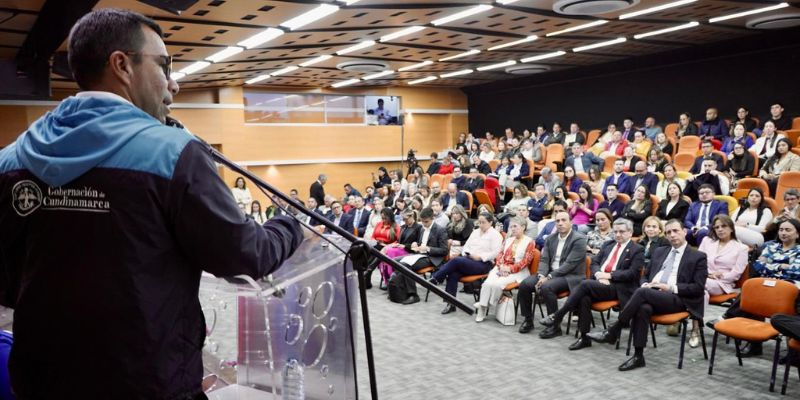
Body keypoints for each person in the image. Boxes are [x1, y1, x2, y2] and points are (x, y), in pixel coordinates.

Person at [0, 9, 306, 399]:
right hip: (147, 383)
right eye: (164, 65)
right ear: (122, 65)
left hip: (41, 382)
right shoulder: (174, 154)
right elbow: (245, 255)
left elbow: (8, 285)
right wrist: (289, 224)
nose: (173, 84)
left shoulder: (11, 160)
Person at [588, 219, 707, 371]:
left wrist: (669, 287)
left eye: (676, 231)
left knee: (642, 293)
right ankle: (638, 356)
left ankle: (614, 329)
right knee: (643, 308)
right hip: (652, 293)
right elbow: (645, 275)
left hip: (678, 298)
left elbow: (697, 288)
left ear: (684, 232)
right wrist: (645, 283)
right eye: (669, 232)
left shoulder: (698, 256)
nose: (672, 235)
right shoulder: (660, 251)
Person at [539, 219, 644, 349]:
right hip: (600, 283)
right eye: (615, 231)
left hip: (620, 288)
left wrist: (610, 276)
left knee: (585, 284)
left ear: (630, 232)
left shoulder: (637, 249)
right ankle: (584, 338)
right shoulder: (608, 245)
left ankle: (558, 315)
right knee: (584, 298)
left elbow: (633, 274)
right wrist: (599, 275)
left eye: (622, 232)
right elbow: (594, 263)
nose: (617, 234)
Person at [712, 219, 800, 357]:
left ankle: (728, 316)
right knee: (754, 290)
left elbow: (796, 271)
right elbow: (757, 266)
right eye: (781, 230)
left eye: (788, 230)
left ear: (797, 234)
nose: (783, 233)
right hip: (767, 285)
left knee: (758, 290)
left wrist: (770, 265)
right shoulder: (771, 246)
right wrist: (781, 266)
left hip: (788, 288)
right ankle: (754, 344)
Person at [518, 211, 588, 335]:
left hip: (570, 276)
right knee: (525, 285)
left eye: (564, 220)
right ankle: (528, 320)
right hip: (549, 273)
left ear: (571, 222)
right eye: (557, 221)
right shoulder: (551, 238)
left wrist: (549, 277)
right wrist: (541, 275)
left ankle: (555, 326)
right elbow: (544, 259)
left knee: (546, 287)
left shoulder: (580, 239)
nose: (560, 223)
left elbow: (570, 265)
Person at [431, 213, 503, 314]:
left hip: (484, 263)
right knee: (453, 273)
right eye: (479, 222)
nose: (481, 225)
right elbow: (466, 246)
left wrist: (480, 257)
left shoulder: (496, 235)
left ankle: (436, 278)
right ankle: (451, 304)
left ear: (490, 222)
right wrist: (467, 254)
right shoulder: (475, 232)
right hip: (469, 260)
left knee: (456, 260)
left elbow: (495, 253)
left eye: (483, 223)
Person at [693, 215, 748, 347]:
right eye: (717, 227)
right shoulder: (707, 241)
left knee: (695, 285)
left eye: (723, 226)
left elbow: (736, 273)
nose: (720, 229)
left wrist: (720, 276)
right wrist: (708, 274)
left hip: (723, 283)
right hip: (704, 278)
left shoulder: (741, 248)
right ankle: (695, 329)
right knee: (701, 292)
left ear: (731, 229)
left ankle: (684, 317)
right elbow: (697, 261)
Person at [475, 217, 537, 322]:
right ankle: (483, 308)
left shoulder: (529, 242)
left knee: (497, 284)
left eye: (515, 226)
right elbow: (500, 255)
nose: (512, 229)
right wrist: (501, 267)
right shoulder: (508, 240)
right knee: (487, 283)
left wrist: (509, 269)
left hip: (518, 271)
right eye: (511, 227)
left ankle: (485, 305)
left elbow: (525, 262)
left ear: (523, 227)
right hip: (502, 267)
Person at [391, 207, 450, 304]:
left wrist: (427, 248)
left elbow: (444, 250)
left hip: (431, 258)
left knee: (405, 265)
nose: (424, 224)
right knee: (395, 261)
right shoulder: (422, 228)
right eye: (422, 221)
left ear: (432, 218)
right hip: (419, 254)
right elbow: (420, 244)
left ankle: (413, 295)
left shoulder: (440, 230)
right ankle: (400, 290)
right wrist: (415, 244)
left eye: (426, 222)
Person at [377, 209, 421, 289]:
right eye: (403, 219)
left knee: (390, 252)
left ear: (411, 217)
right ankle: (386, 278)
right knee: (385, 250)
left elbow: (418, 243)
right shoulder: (404, 227)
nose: (404, 221)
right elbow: (398, 241)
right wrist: (388, 246)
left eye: (405, 219)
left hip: (409, 250)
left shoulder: (418, 227)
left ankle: (391, 280)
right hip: (400, 248)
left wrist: (405, 246)